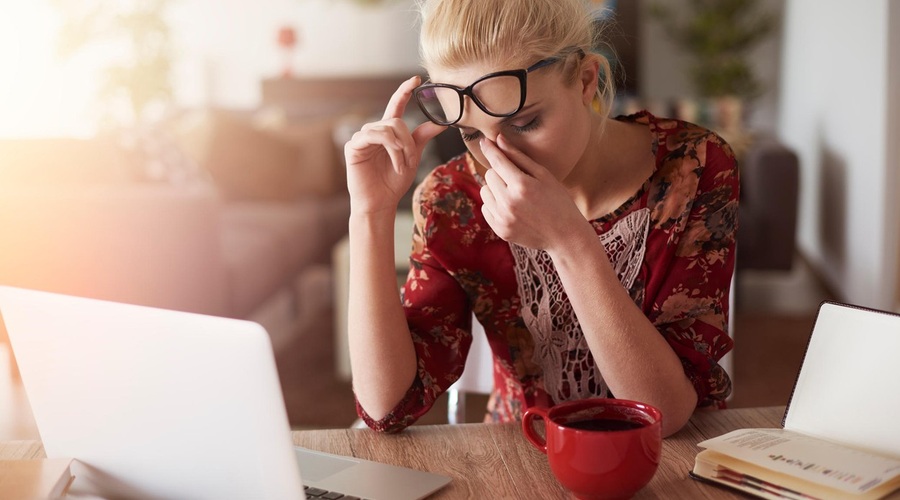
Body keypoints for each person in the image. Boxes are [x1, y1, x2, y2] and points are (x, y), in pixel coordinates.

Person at [343, 0, 737, 438]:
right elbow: (386, 408)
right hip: (523, 452)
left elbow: (665, 413)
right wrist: (370, 213)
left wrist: (570, 241)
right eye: (472, 134)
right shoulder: (453, 199)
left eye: (525, 122)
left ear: (586, 80)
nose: (498, 158)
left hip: (673, 462)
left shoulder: (693, 166)